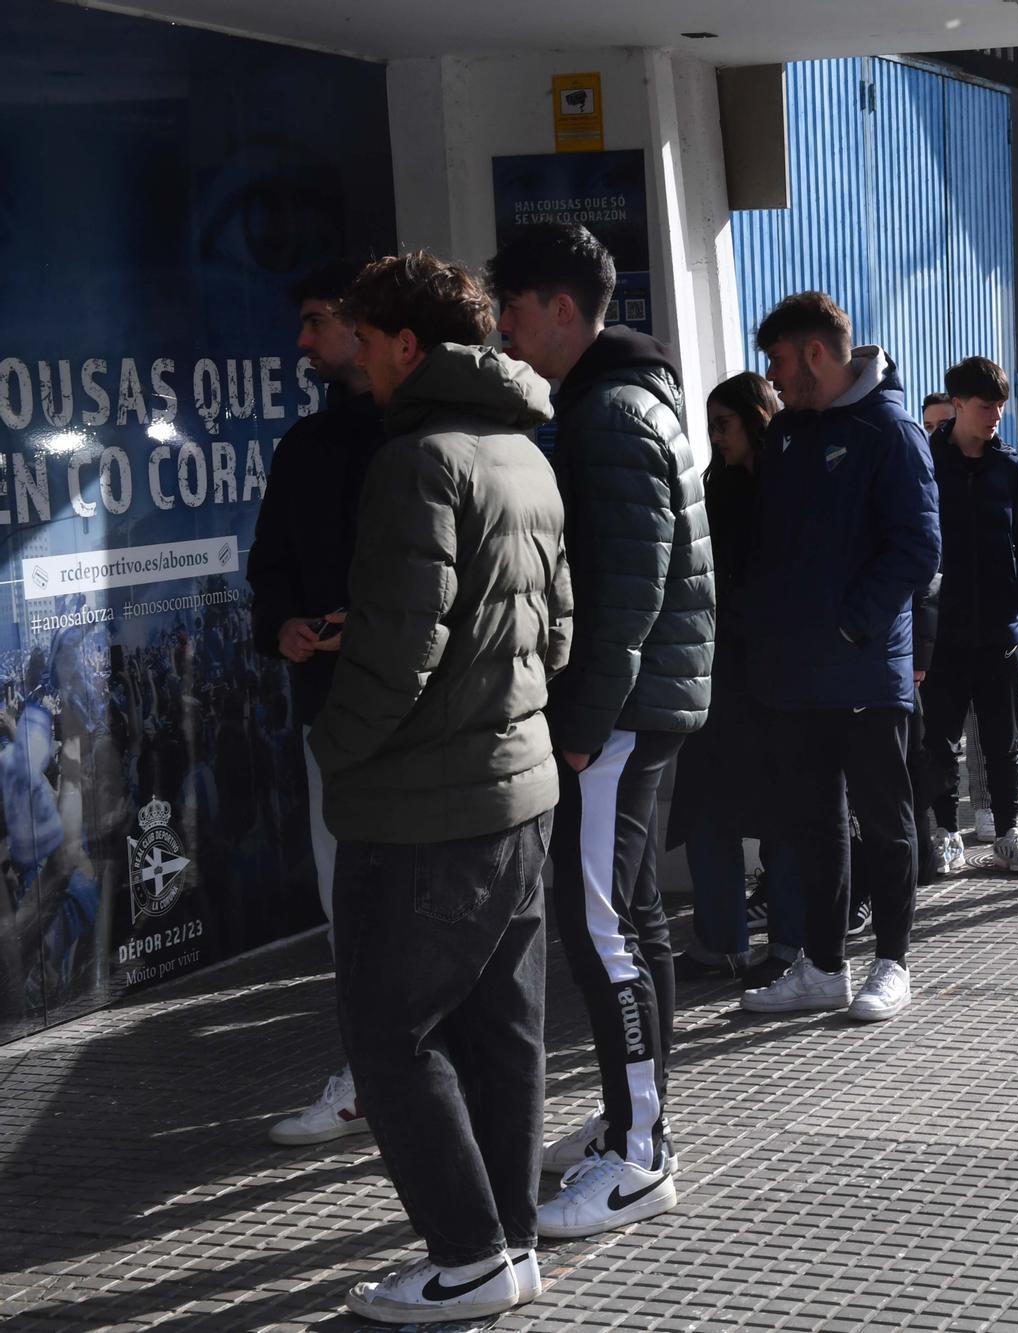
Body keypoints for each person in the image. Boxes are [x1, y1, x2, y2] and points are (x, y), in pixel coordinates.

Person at [311, 252, 570, 1324]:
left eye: (365, 341)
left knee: (389, 1036)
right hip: (517, 794)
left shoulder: (416, 461)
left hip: (426, 811)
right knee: (499, 1035)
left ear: (408, 346)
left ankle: (467, 1257)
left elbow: (397, 653)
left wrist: (334, 745)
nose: (356, 360)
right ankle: (507, 1247)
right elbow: (557, 633)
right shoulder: (523, 454)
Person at [485, 224, 715, 1238]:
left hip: (615, 714)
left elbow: (625, 595)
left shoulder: (612, 413)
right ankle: (633, 1119)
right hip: (636, 707)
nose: (502, 328)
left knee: (601, 928)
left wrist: (580, 726)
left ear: (562, 309)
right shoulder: (623, 397)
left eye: (513, 308)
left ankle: (638, 1155)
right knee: (631, 918)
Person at [738, 292, 939, 1024]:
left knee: (884, 820)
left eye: (779, 360)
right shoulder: (791, 432)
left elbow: (918, 547)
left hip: (864, 672)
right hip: (799, 674)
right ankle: (823, 967)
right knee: (815, 824)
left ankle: (892, 963)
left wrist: (854, 629)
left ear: (817, 353)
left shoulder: (890, 429)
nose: (772, 377)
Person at [249, 259, 386, 1149]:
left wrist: (364, 629)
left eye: (315, 321)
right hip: (329, 715)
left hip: (426, 720)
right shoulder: (304, 445)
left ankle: (434, 1074)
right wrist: (286, 627)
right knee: (350, 904)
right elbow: (269, 564)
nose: (302, 341)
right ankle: (371, 1073)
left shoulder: (428, 436)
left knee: (432, 907)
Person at [670, 373, 804, 989]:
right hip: (721, 676)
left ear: (755, 418)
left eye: (723, 425)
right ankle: (721, 942)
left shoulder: (789, 487)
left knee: (784, 817)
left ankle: (788, 943)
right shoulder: (714, 488)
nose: (716, 437)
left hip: (776, 677)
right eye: (711, 427)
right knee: (709, 813)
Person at [920, 356, 1018, 875]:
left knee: (1003, 743)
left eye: (1000, 405)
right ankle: (946, 833)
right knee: (939, 741)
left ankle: (1008, 834)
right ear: (957, 404)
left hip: (1000, 630)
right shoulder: (927, 467)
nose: (996, 415)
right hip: (943, 633)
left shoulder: (1013, 471)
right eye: (985, 406)